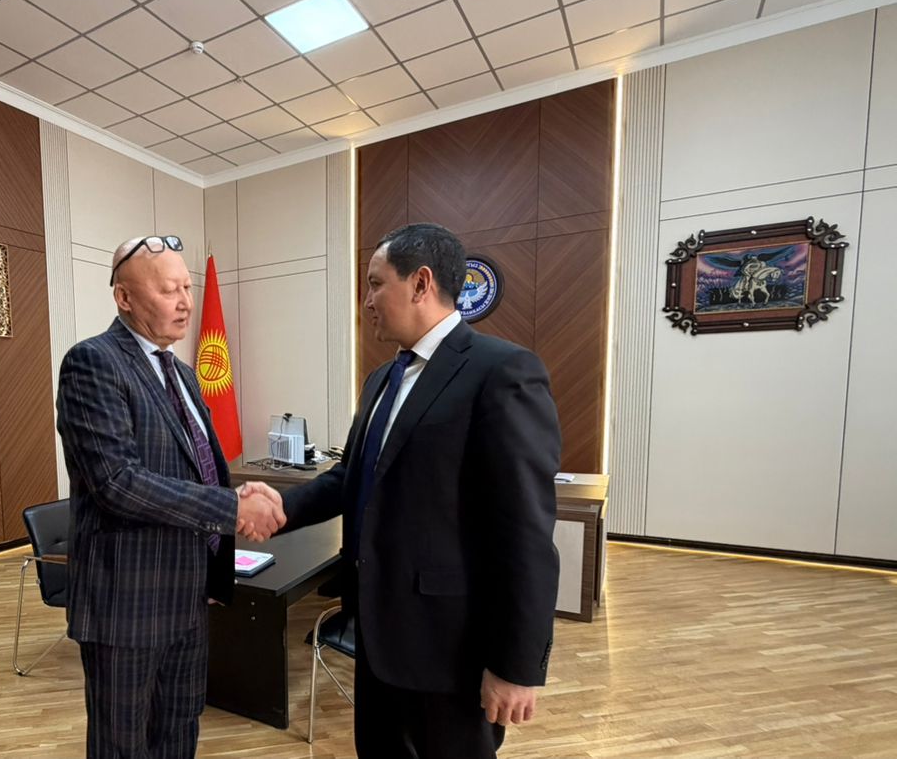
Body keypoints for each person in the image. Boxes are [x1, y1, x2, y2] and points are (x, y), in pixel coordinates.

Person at [279, 223, 561, 759]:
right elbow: (351, 478)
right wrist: (278, 506)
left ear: (420, 283)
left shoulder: (502, 371)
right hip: (376, 636)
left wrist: (516, 666)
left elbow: (525, 531)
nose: (366, 302)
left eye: (374, 284)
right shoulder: (381, 380)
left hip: (450, 649)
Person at [55, 235, 283, 759]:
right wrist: (232, 508)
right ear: (124, 298)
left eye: (187, 288)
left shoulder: (182, 373)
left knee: (180, 730)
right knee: (121, 744)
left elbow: (192, 468)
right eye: (167, 290)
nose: (184, 303)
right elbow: (117, 483)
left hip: (188, 594)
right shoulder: (93, 362)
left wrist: (233, 494)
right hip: (128, 601)